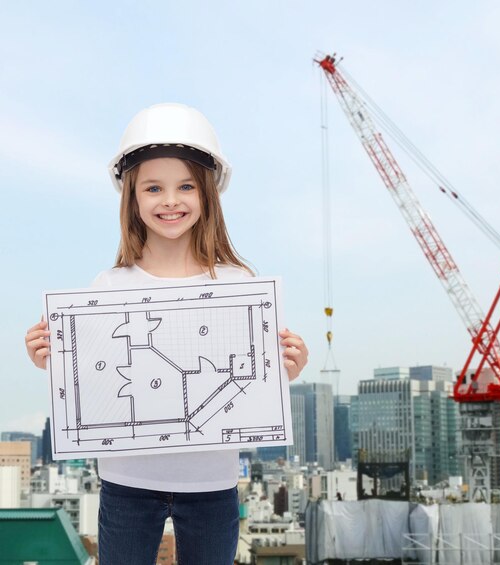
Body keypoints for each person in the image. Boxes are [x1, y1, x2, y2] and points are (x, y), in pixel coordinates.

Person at [24, 103, 309, 564]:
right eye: (153, 187)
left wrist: (285, 370)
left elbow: (247, 383)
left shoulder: (237, 284)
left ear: (207, 194)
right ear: (132, 197)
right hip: (127, 484)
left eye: (185, 186)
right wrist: (49, 360)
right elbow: (95, 382)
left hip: (212, 485)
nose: (170, 200)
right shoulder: (108, 288)